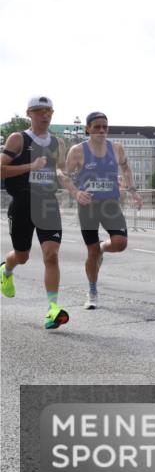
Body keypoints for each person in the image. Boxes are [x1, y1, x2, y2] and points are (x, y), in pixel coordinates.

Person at [0, 96, 74, 329]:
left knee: (51, 255)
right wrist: (30, 167)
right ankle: (6, 269)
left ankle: (52, 310)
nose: (45, 115)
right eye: (39, 110)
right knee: (22, 256)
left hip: (47, 204)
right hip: (22, 203)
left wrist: (68, 181)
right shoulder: (18, 139)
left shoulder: (58, 143)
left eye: (49, 111)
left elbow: (60, 170)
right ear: (29, 113)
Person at [64, 111, 143, 309]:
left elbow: (126, 168)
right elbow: (62, 174)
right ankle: (92, 291)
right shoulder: (77, 151)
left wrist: (133, 191)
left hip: (110, 204)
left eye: (104, 127)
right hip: (88, 207)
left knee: (120, 243)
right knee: (91, 253)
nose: (101, 130)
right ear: (87, 129)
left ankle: (102, 248)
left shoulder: (116, 148)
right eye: (97, 127)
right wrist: (76, 193)